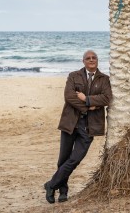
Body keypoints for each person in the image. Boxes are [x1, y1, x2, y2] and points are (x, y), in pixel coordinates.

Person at [44, 50, 112, 203]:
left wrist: (86, 98)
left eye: (94, 57)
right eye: (88, 58)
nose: (91, 60)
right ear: (83, 61)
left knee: (75, 159)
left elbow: (107, 98)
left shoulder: (104, 79)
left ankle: (51, 184)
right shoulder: (73, 76)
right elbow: (69, 97)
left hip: (89, 127)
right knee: (63, 159)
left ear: (97, 61)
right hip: (70, 123)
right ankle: (63, 192)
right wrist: (88, 106)